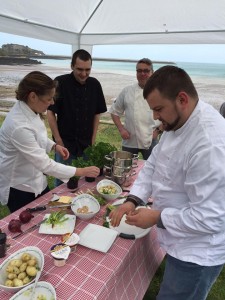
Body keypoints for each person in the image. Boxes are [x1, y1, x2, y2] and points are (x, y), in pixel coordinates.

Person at [110, 66, 225, 300]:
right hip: (180, 237)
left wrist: (156, 217)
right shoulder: (179, 121)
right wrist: (133, 199)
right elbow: (153, 163)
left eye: (158, 109)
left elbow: (210, 217)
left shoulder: (210, 144)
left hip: (198, 251)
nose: (155, 117)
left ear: (182, 99)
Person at [0, 71, 99, 213]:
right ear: (33, 96)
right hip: (19, 187)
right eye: (49, 98)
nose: (52, 102)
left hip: (37, 179)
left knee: (48, 214)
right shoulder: (18, 125)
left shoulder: (29, 109)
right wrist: (80, 171)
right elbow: (45, 164)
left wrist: (53, 145)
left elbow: (36, 137)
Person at [47, 49, 107, 186]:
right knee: (62, 181)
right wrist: (58, 140)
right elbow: (50, 112)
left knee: (85, 181)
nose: (84, 74)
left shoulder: (95, 84)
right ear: (72, 66)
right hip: (65, 144)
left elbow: (97, 113)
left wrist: (92, 139)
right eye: (80, 69)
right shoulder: (60, 82)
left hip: (86, 145)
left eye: (88, 70)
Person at [109, 58, 161, 160]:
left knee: (153, 170)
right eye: (139, 71)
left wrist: (158, 131)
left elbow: (168, 115)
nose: (142, 74)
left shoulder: (160, 91)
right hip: (130, 141)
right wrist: (121, 129)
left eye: (146, 71)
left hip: (151, 140)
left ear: (152, 73)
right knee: (127, 171)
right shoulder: (127, 91)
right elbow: (114, 111)